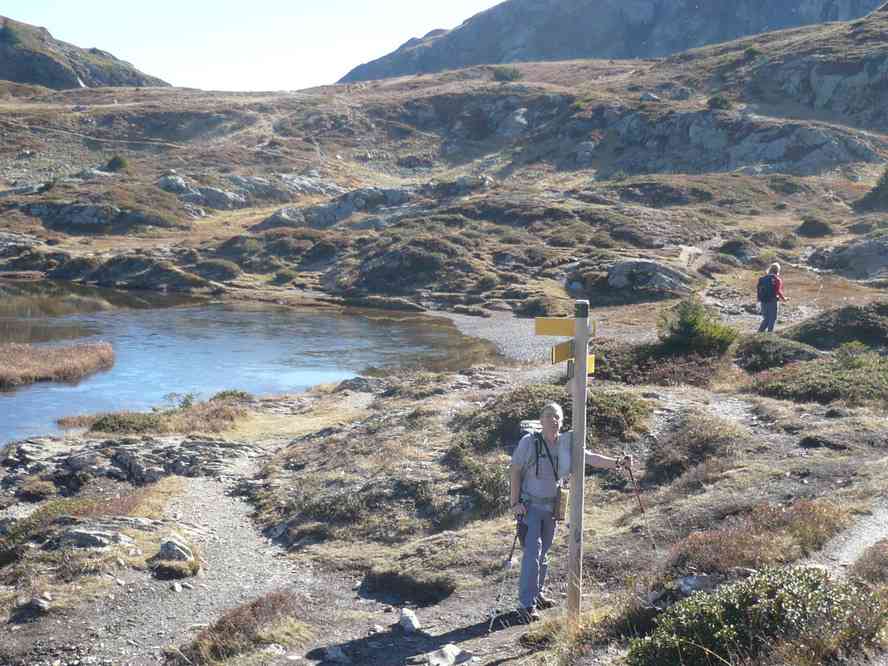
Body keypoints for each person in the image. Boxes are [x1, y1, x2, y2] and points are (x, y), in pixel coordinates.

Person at [509, 402, 630, 622]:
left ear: (562, 422)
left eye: (557, 417)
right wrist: (514, 502)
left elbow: (590, 457)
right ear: (541, 420)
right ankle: (526, 605)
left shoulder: (567, 444)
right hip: (529, 507)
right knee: (532, 554)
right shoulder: (529, 442)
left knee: (543, 553)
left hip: (552, 508)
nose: (553, 420)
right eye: (548, 416)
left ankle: (537, 594)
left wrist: (618, 463)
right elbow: (515, 469)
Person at [757, 262, 788, 333]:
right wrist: (784, 298)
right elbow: (778, 291)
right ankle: (769, 334)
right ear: (777, 270)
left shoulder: (762, 279)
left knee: (766, 318)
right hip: (772, 300)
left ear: (770, 269)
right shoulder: (777, 279)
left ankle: (759, 334)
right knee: (772, 318)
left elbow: (759, 289)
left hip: (763, 300)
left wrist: (759, 299)